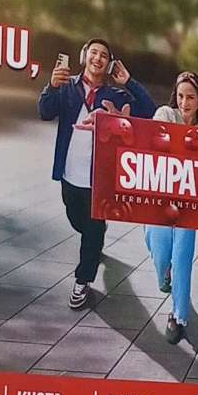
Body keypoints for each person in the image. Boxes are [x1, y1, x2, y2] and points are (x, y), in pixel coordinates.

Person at [37, 39, 156, 310]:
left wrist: (130, 82)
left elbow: (150, 113)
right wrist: (51, 86)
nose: (98, 58)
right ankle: (96, 235)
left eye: (104, 55)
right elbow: (44, 112)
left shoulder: (117, 95)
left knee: (91, 230)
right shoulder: (67, 86)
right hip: (69, 174)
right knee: (77, 220)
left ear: (109, 64)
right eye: (94, 53)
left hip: (100, 179)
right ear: (84, 56)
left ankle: (82, 280)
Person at [143, 70, 198, 345]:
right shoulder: (165, 114)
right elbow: (155, 138)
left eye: (190, 97)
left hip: (188, 203)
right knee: (160, 253)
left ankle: (178, 315)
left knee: (182, 256)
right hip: (159, 197)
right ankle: (165, 276)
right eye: (181, 96)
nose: (184, 102)